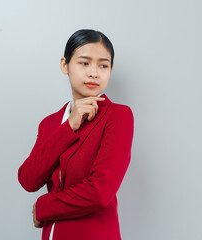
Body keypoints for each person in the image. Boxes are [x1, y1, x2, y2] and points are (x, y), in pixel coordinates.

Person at [18, 29, 134, 240]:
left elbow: (99, 192)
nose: (94, 73)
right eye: (84, 63)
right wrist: (69, 126)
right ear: (65, 65)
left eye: (103, 65)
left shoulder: (118, 116)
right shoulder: (50, 123)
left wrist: (43, 207)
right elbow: (28, 179)